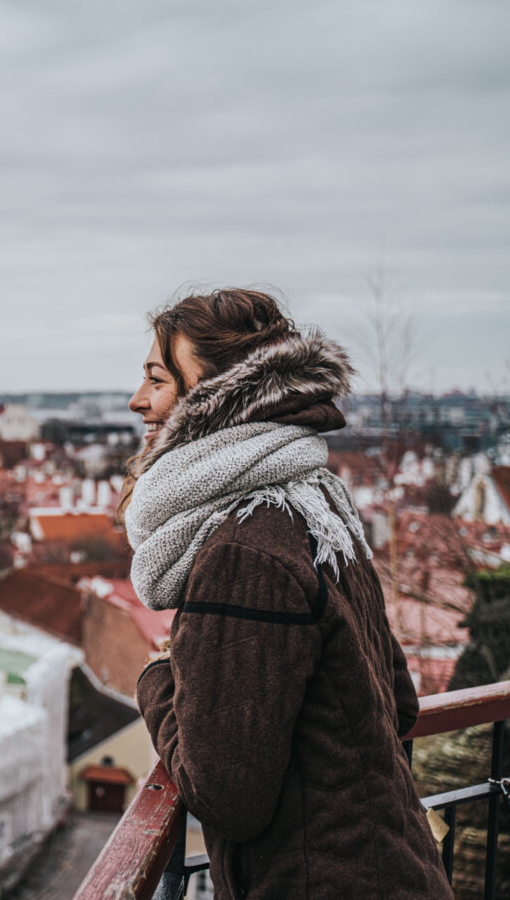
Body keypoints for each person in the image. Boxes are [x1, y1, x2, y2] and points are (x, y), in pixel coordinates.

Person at [124, 289, 450, 900]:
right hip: (397, 869)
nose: (138, 400)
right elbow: (397, 706)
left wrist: (159, 681)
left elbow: (227, 795)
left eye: (158, 379)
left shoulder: (241, 551)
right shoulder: (318, 503)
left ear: (215, 398)